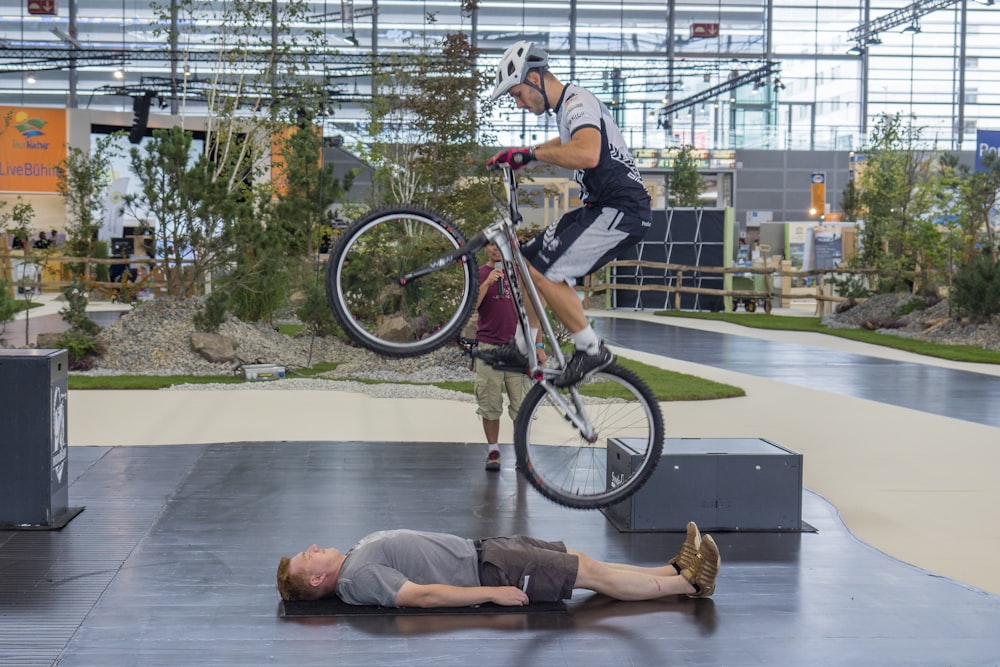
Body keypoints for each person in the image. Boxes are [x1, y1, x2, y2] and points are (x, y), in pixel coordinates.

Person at [478, 40, 652, 388]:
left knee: (549, 271)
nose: (518, 103)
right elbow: (564, 144)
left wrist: (532, 156)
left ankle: (591, 348)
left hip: (621, 209)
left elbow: (587, 153)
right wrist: (523, 153)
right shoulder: (568, 110)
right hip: (598, 207)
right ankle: (524, 344)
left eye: (517, 94)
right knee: (528, 263)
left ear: (534, 78)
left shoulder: (576, 103)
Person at [275, 521, 720, 606]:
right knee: (591, 576)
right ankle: (691, 585)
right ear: (317, 577)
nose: (313, 546)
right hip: (490, 570)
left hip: (485, 548)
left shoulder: (354, 560)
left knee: (578, 559)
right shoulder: (357, 579)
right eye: (306, 556)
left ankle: (674, 568)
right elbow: (420, 596)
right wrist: (489, 593)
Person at [474, 242, 541, 471]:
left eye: (499, 245)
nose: (496, 249)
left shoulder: (518, 274)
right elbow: (472, 306)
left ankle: (522, 454)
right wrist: (487, 282)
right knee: (489, 403)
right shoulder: (480, 274)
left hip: (517, 349)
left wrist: (538, 345)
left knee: (521, 405)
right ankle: (493, 451)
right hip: (489, 348)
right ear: (486, 249)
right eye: (492, 245)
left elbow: (532, 310)